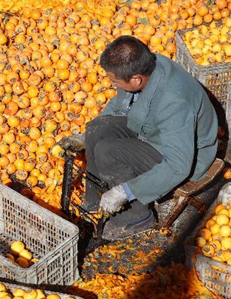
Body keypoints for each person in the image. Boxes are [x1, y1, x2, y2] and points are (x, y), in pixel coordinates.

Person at [58, 35, 219, 240]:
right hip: (155, 129)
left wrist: (125, 191)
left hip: (181, 155)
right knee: (97, 128)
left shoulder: (174, 102)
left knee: (108, 151)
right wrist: (85, 137)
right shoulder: (146, 65)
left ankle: (137, 216)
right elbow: (120, 105)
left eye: (114, 81)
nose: (112, 84)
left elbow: (178, 165)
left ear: (135, 79)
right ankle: (96, 198)